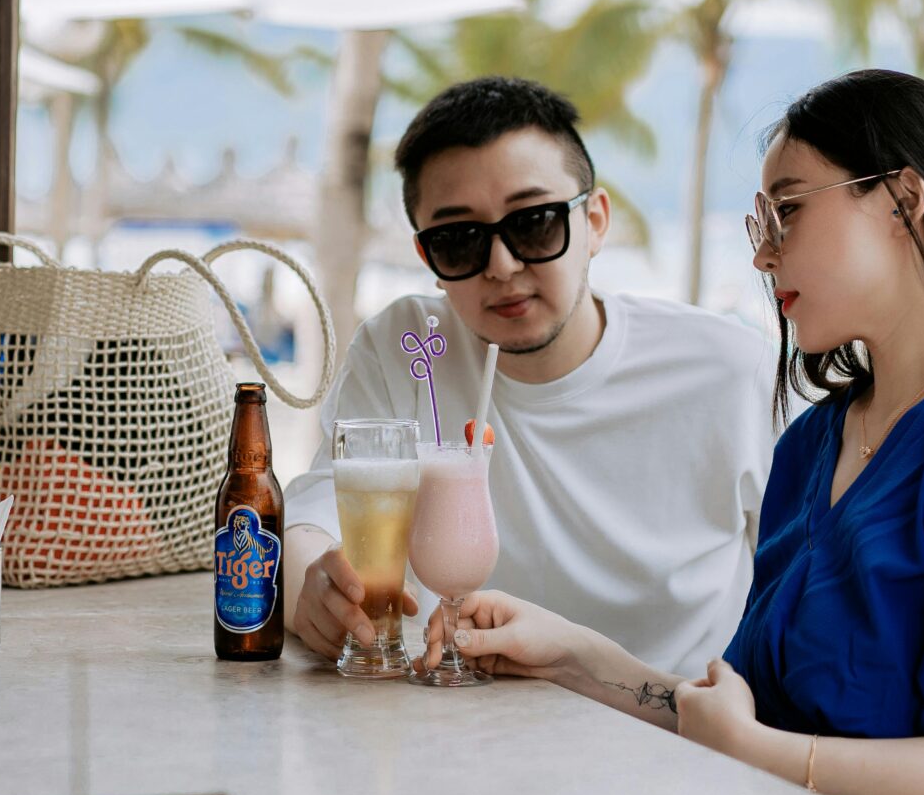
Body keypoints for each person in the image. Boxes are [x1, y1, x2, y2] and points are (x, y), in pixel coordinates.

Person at [431, 70, 924, 795]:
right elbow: (735, 719)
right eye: (760, 220)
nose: (761, 250)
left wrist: (758, 752)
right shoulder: (816, 440)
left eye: (787, 211)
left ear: (903, 200)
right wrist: (569, 654)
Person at [285, 77, 772, 678]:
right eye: (459, 240)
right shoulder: (409, 349)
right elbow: (320, 506)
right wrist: (311, 584)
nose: (502, 265)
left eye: (535, 223)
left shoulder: (729, 370)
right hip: (461, 739)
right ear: (427, 258)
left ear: (595, 222)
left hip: (676, 742)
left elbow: (807, 591)